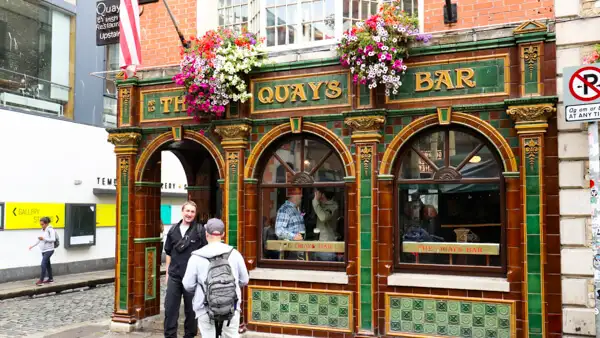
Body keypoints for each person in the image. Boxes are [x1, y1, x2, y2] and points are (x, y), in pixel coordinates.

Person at [183, 218, 249, 338]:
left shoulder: (196, 257)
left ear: (206, 233)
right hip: (231, 307)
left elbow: (188, 285)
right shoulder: (235, 253)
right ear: (223, 234)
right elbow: (244, 280)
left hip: (204, 307)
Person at [164, 201, 208, 338]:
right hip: (174, 276)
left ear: (195, 214)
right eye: (187, 211)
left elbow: (205, 253)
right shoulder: (172, 230)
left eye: (192, 212)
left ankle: (189, 336)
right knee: (170, 309)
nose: (189, 214)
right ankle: (170, 336)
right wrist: (167, 273)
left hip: (193, 278)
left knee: (191, 310)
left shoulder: (200, 231)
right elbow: (169, 253)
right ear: (182, 211)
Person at [275, 188, 305, 260]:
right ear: (294, 195)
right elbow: (279, 231)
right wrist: (294, 236)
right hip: (290, 252)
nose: (302, 195)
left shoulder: (296, 209)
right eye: (300, 193)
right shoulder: (285, 209)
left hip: (298, 251)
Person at [312, 189, 339, 261]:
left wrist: (315, 201)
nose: (315, 195)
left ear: (322, 195)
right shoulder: (320, 205)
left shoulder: (333, 206)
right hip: (318, 244)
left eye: (317, 193)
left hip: (327, 245)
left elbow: (323, 217)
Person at [28, 216, 56, 286]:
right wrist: (32, 246)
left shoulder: (50, 230)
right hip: (43, 250)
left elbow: (53, 239)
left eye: (42, 224)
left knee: (43, 264)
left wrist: (44, 238)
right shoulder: (42, 230)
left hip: (49, 250)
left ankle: (41, 280)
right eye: (41, 224)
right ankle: (51, 279)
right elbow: (39, 240)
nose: (41, 226)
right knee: (47, 265)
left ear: (46, 224)